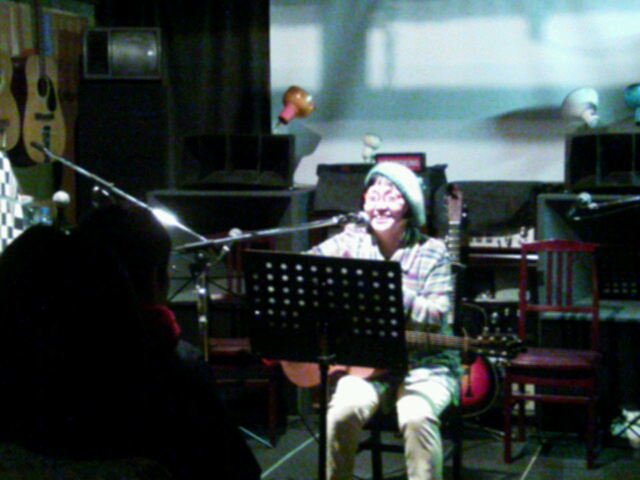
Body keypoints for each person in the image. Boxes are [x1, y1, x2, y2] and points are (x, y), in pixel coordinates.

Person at [308, 162, 460, 480]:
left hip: (425, 365)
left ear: (409, 206)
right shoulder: (350, 241)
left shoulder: (432, 251)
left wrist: (387, 288)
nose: (380, 205)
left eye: (391, 197)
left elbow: (437, 315)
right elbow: (305, 269)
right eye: (373, 196)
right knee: (341, 413)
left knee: (416, 416)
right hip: (366, 364)